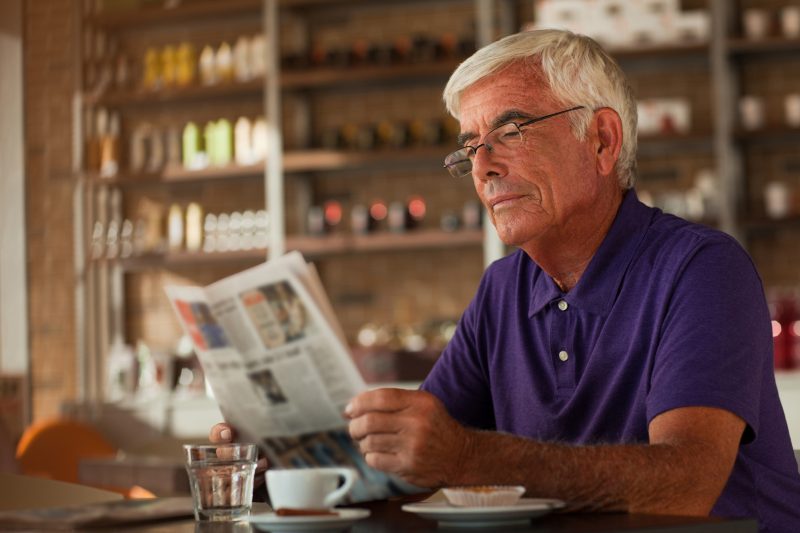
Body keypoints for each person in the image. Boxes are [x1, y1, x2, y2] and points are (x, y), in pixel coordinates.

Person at [212, 29, 800, 531]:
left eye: (511, 131)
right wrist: (285, 456)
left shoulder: (701, 268)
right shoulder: (502, 290)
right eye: (470, 146)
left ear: (602, 140)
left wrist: (468, 456)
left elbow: (685, 487)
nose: (483, 166)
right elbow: (413, 467)